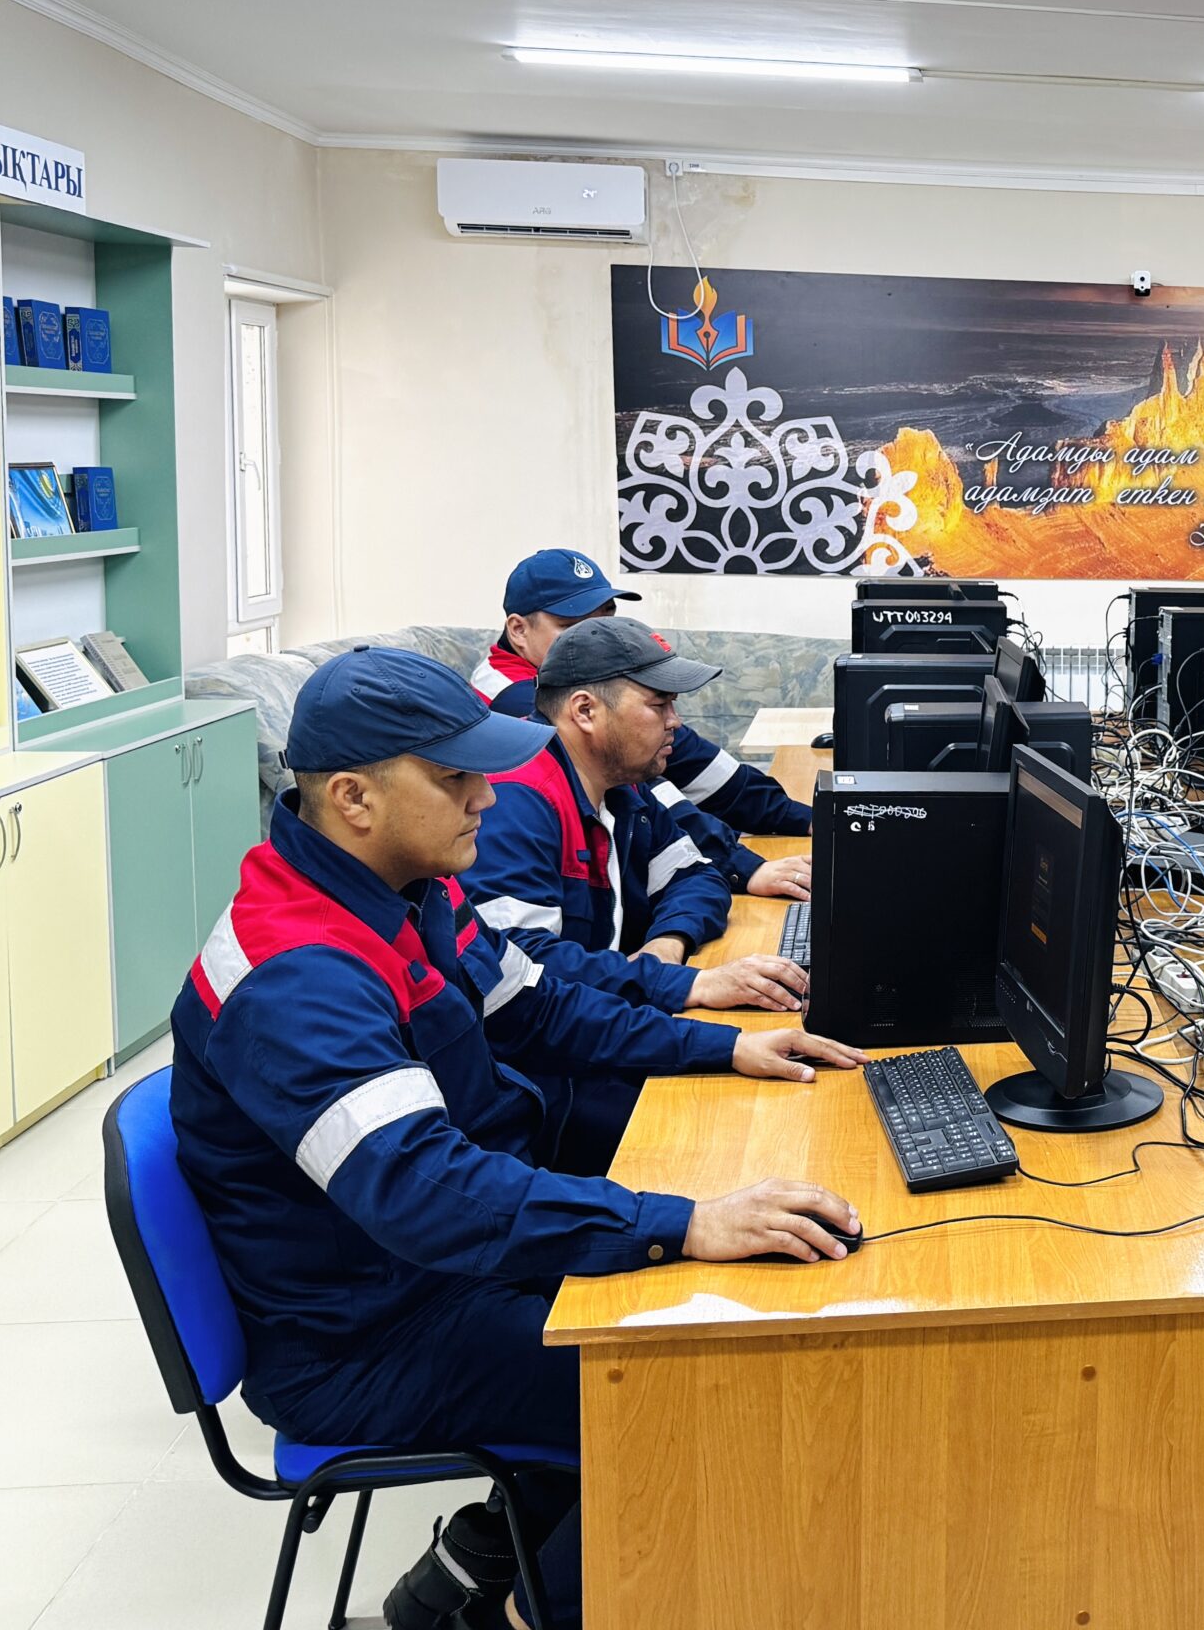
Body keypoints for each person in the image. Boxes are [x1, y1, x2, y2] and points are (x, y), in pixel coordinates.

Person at [168, 647, 868, 1630]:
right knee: (694, 1391)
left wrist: (723, 1046)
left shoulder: (408, 890)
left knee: (713, 1316)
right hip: (366, 1336)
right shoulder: (297, 974)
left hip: (436, 1275)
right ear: (353, 798)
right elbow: (427, 1194)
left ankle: (477, 1569)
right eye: (455, 779)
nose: (487, 801)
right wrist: (684, 1222)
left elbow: (539, 1009)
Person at [463, 617, 804, 1020]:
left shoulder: (620, 782)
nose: (675, 721)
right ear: (585, 710)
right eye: (659, 705)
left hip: (607, 1021)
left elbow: (696, 875)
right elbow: (527, 969)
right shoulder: (516, 799)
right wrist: (682, 984)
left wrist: (669, 941)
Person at [473, 547, 810, 901]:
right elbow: (643, 787)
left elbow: (688, 757)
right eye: (573, 626)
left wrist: (801, 817)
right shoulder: (519, 701)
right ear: (519, 630)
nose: (596, 635)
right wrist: (743, 866)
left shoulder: (588, 683)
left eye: (607, 617)